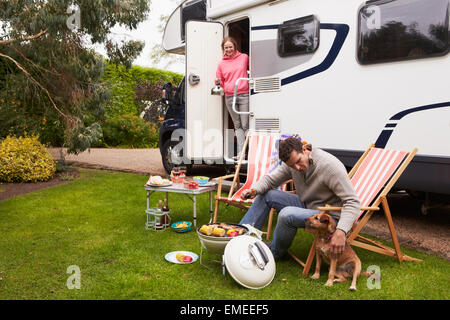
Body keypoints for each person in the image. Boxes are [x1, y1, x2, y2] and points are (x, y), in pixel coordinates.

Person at [239, 136, 361, 259]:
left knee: (287, 214)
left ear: (304, 149)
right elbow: (271, 180)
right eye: (292, 166)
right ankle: (239, 239)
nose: (297, 168)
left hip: (329, 215)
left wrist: (341, 231)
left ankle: (275, 253)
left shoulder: (329, 166)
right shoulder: (292, 163)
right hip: (307, 204)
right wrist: (253, 190)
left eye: (298, 161)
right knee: (266, 194)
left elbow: (352, 202)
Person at [215, 36, 249, 158]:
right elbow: (219, 80)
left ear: (234, 46)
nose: (228, 49)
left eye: (230, 47)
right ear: (223, 49)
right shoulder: (221, 64)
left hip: (244, 94)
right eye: (226, 47)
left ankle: (250, 150)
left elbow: (254, 70)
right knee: (237, 125)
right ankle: (242, 153)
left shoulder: (244, 58)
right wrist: (221, 86)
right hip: (229, 97)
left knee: (245, 124)